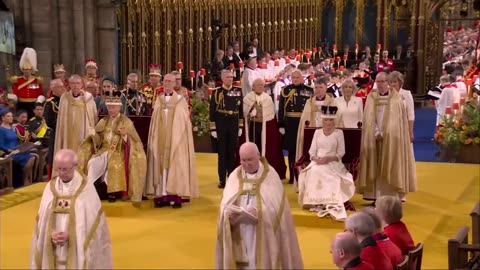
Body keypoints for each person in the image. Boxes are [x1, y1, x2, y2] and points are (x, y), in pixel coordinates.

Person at [215, 142, 303, 269]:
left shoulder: (270, 176)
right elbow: (225, 205)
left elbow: (278, 210)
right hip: (239, 231)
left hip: (261, 233)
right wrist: (229, 215)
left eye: (250, 159)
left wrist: (259, 212)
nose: (246, 164)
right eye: (243, 160)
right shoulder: (235, 176)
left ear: (258, 156)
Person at [30, 149, 112, 269]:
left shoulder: (86, 189)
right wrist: (50, 233)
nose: (61, 173)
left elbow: (93, 223)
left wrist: (72, 235)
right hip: (53, 244)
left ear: (75, 166)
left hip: (77, 245)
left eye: (65, 169)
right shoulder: (50, 188)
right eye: (58, 169)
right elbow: (42, 220)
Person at [77, 92, 146, 206]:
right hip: (103, 150)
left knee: (113, 164)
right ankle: (92, 190)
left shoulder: (126, 121)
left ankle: (112, 193)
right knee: (92, 163)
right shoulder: (103, 121)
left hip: (119, 151)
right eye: (109, 107)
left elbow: (135, 141)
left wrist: (125, 136)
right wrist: (93, 134)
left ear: (119, 107)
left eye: (113, 107)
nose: (111, 109)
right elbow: (98, 142)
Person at [357, 72, 416, 201]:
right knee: (375, 163)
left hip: (392, 137)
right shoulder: (371, 97)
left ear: (387, 82)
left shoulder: (396, 98)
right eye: (377, 82)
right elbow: (368, 117)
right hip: (374, 136)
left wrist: (386, 132)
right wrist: (376, 132)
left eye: (383, 82)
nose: (380, 85)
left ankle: (392, 194)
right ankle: (374, 195)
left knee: (392, 162)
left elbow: (398, 118)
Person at [145, 74, 198, 208]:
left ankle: (176, 196)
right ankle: (162, 197)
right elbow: (154, 121)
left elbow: (183, 122)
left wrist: (176, 136)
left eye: (170, 81)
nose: (167, 83)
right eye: (166, 81)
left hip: (176, 141)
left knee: (176, 165)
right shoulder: (159, 100)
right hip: (160, 140)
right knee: (160, 164)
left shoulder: (180, 100)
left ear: (175, 83)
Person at [297, 105, 355, 221]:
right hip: (317, 161)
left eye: (331, 120)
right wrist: (315, 158)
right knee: (313, 171)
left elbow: (341, 152)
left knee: (332, 176)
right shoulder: (317, 132)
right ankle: (315, 202)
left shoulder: (339, 133)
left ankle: (329, 201)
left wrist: (328, 159)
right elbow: (311, 151)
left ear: (334, 120)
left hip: (333, 162)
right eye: (326, 120)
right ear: (322, 120)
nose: (328, 122)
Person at [243, 78, 287, 179]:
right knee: (252, 148)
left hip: (264, 128)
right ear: (253, 87)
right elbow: (244, 114)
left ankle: (263, 170)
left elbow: (271, 117)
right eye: (258, 85)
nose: (260, 87)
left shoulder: (268, 98)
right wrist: (250, 113)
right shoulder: (247, 98)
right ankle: (250, 169)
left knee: (264, 149)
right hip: (251, 127)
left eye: (262, 85)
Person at [53, 75, 98, 169]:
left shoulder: (88, 98)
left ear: (82, 84)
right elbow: (62, 120)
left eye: (78, 83)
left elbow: (92, 117)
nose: (75, 86)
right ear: (69, 84)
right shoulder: (64, 98)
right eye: (73, 83)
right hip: (68, 134)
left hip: (84, 133)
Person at [278, 69, 314, 184]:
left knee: (304, 148)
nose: (295, 79)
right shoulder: (285, 90)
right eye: (293, 78)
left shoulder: (309, 90)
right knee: (292, 150)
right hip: (290, 123)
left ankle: (304, 174)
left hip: (304, 122)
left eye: (297, 77)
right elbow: (281, 108)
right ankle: (293, 175)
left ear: (302, 78)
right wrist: (281, 124)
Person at [210, 70, 244, 188]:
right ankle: (222, 179)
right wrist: (213, 129)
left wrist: (240, 126)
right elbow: (212, 111)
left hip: (233, 122)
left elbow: (240, 110)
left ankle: (231, 177)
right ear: (223, 79)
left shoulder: (238, 91)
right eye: (228, 77)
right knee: (222, 153)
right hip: (221, 122)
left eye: (231, 77)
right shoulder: (217, 92)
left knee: (232, 152)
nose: (230, 79)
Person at [296, 77, 334, 164]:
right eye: (316, 87)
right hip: (311, 132)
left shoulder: (332, 102)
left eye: (321, 87)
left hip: (327, 134)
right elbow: (304, 119)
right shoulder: (309, 102)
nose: (318, 90)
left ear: (326, 88)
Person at [0, 107, 35, 187]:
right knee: (29, 158)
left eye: (11, 116)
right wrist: (8, 150)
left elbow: (16, 141)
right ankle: (24, 180)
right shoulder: (1, 129)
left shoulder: (13, 128)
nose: (11, 118)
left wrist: (22, 147)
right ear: (3, 118)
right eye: (8, 116)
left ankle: (25, 178)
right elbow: (0, 144)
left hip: (16, 150)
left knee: (32, 157)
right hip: (8, 152)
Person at [8, 48, 45, 118]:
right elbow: (15, 93)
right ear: (22, 70)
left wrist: (39, 101)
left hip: (33, 104)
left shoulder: (36, 81)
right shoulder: (18, 80)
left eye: (28, 70)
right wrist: (11, 97)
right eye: (25, 70)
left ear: (31, 70)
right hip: (21, 104)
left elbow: (40, 93)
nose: (27, 71)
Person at [44, 79, 66, 178]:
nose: (62, 89)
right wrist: (64, 125)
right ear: (53, 89)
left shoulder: (66, 101)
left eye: (63, 86)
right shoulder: (50, 103)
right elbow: (49, 121)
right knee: (55, 157)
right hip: (56, 134)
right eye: (60, 87)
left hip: (67, 134)